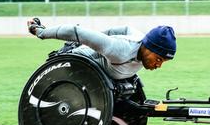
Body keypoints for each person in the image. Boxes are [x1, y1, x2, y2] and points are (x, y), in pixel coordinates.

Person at [27, 18, 176, 80]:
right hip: (74, 65)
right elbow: (75, 31)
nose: (159, 65)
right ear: (148, 47)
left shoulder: (142, 40)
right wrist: (41, 32)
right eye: (159, 59)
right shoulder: (120, 49)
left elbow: (125, 28)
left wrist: (101, 37)